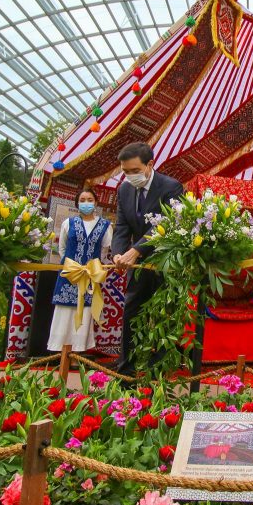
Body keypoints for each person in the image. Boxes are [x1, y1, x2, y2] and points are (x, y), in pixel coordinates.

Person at [111, 142, 184, 375]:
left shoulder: (171, 187)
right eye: (125, 171)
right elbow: (122, 226)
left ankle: (159, 375)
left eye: (135, 170)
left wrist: (136, 250)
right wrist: (118, 253)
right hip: (137, 266)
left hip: (166, 265)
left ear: (150, 164)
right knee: (132, 313)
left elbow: (167, 224)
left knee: (164, 317)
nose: (130, 176)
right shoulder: (124, 190)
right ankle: (127, 371)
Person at [48, 188, 113, 353]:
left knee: (85, 311)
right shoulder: (68, 223)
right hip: (69, 274)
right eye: (82, 200)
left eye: (90, 200)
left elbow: (104, 250)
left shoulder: (105, 226)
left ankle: (78, 351)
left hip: (90, 275)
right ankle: (60, 351)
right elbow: (62, 248)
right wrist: (71, 265)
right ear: (77, 203)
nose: (86, 203)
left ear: (96, 202)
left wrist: (92, 267)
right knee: (64, 310)